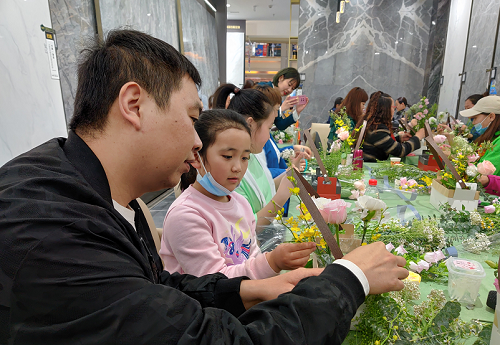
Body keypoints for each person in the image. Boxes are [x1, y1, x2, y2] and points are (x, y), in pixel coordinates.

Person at [0, 29, 409, 344]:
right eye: (192, 118)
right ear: (133, 104)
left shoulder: (91, 190)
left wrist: (248, 289)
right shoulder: (54, 228)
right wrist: (349, 279)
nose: (198, 142)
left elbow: (156, 288)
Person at [160, 109, 315, 279]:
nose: (238, 168)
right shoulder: (186, 215)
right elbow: (214, 285)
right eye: (227, 156)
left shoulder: (240, 202)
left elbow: (252, 255)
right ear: (197, 157)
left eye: (244, 158)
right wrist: (273, 262)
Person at [226, 88, 299, 227]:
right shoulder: (231, 169)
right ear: (250, 124)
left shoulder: (254, 155)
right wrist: (281, 196)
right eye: (269, 128)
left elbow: (266, 184)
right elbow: (246, 227)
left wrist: (288, 175)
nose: (269, 136)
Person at [254, 83, 311, 178]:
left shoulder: (265, 131)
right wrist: (288, 170)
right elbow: (260, 172)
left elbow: (273, 153)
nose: (277, 115)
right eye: (277, 110)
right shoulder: (257, 137)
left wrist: (292, 150)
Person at [362, 92, 425, 162]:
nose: (394, 110)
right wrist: (417, 137)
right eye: (393, 107)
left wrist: (399, 138)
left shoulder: (374, 125)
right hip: (371, 166)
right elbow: (400, 151)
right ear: (386, 110)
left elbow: (384, 144)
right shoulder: (377, 129)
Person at [459, 95, 500, 175]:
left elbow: (483, 174)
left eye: (475, 118)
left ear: (491, 116)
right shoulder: (492, 138)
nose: (473, 122)